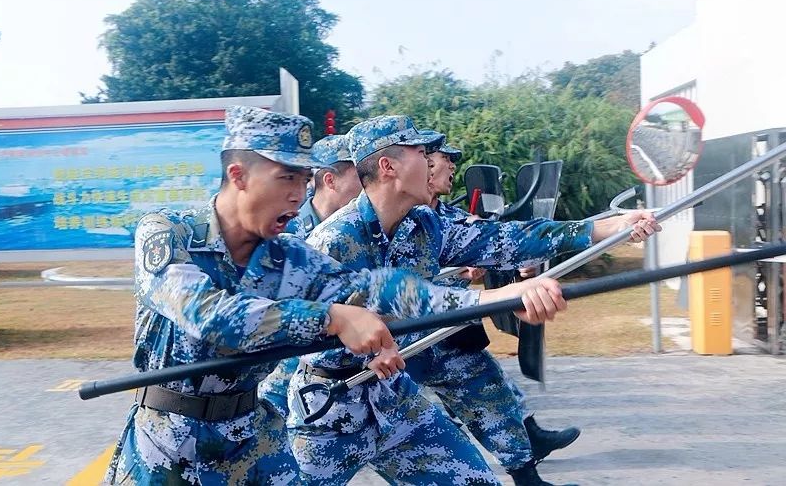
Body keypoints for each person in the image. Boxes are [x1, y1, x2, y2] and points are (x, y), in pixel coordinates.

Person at [105, 107, 527, 485]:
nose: (299, 192)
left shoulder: (288, 256)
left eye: (305, 178)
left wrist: (496, 299)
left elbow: (378, 291)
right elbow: (213, 318)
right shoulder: (168, 234)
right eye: (287, 176)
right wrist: (332, 318)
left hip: (251, 440)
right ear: (239, 176)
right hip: (169, 446)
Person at [299, 115, 660, 485]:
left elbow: (504, 239)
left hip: (394, 398)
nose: (432, 162)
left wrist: (605, 229)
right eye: (422, 153)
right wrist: (495, 297)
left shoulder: (423, 223)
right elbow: (388, 305)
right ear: (388, 167)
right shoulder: (336, 241)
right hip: (332, 406)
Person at [423, 132, 583, 483]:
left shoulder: (447, 216)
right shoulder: (397, 219)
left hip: (449, 333)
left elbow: (499, 240)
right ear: (423, 164)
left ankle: (528, 469)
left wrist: (522, 264)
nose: (452, 165)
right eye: (444, 158)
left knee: (492, 390)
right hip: (399, 342)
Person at [259, 133, 361, 420]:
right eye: (359, 174)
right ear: (330, 180)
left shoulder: (359, 229)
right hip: (284, 368)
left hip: (335, 364)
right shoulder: (287, 230)